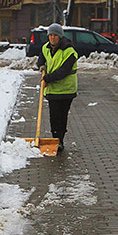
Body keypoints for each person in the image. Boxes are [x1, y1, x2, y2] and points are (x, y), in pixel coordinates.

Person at [36, 23, 78, 154]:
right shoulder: (45, 48)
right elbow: (41, 59)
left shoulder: (69, 51)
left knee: (62, 115)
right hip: (52, 90)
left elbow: (64, 71)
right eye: (50, 35)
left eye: (55, 35)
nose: (52, 38)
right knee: (54, 116)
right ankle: (56, 139)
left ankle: (60, 139)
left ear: (60, 36)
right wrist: (42, 66)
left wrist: (47, 78)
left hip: (66, 90)